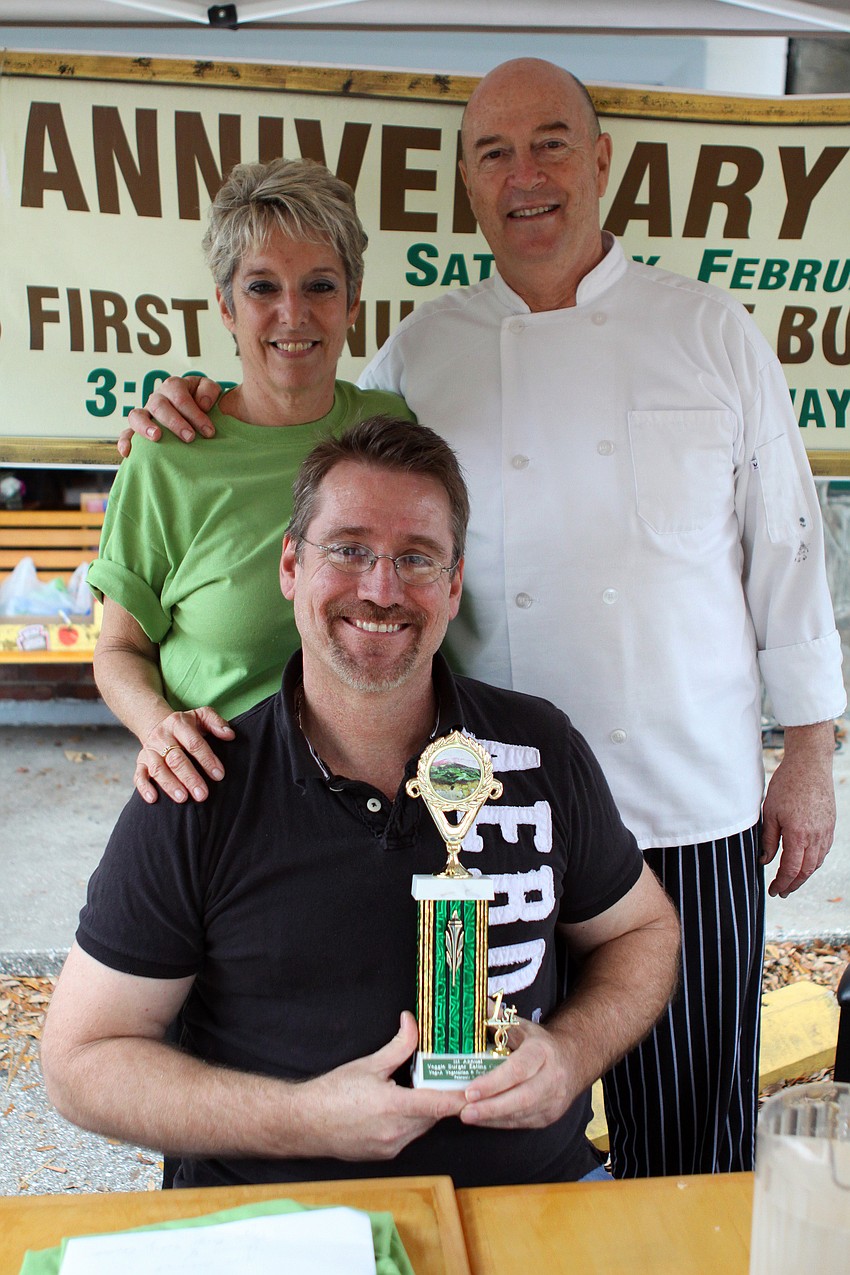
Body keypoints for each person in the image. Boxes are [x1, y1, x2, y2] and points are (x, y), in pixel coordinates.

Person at [121, 59, 846, 1178]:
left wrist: (808, 752)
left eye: (551, 143)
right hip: (483, 813)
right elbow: (322, 472)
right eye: (493, 153)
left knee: (691, 1136)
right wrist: (180, 416)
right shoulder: (423, 349)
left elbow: (789, 547)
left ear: (602, 161)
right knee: (494, 1131)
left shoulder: (711, 331)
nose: (526, 176)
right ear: (467, 181)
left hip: (688, 804)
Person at [41, 416, 680, 1191]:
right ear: (289, 565)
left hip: (537, 1199)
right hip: (281, 1224)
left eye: (415, 558)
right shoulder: (201, 782)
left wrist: (573, 1053)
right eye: (348, 550)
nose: (380, 589)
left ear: (452, 586)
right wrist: (299, 1117)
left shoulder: (538, 746)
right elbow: (80, 1059)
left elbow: (643, 931)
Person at [89, 157, 412, 807]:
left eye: (319, 286)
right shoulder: (169, 455)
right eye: (262, 287)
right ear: (226, 306)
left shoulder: (393, 430)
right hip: (226, 805)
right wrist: (161, 729)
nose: (292, 313)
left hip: (390, 800)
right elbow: (119, 649)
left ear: (352, 301)